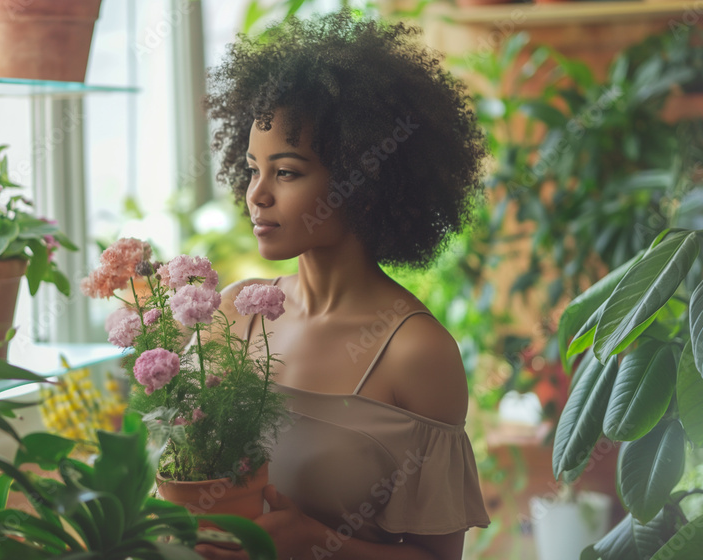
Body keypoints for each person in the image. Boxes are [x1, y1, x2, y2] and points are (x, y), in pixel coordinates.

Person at [196, 9, 490, 560]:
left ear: (364, 182)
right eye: (252, 167)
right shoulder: (235, 312)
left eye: (285, 172)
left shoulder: (415, 353)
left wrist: (313, 543)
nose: (256, 194)